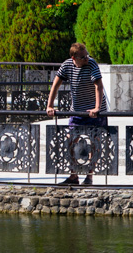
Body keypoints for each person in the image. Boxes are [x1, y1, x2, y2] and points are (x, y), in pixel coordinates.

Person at [46, 42, 108, 186]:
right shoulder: (67, 65)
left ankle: (89, 176)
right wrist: (50, 105)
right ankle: (73, 175)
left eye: (87, 55)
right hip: (77, 110)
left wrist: (97, 108)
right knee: (70, 140)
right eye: (83, 57)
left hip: (94, 111)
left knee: (95, 142)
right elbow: (55, 84)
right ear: (74, 58)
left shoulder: (91, 64)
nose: (87, 58)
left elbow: (98, 86)